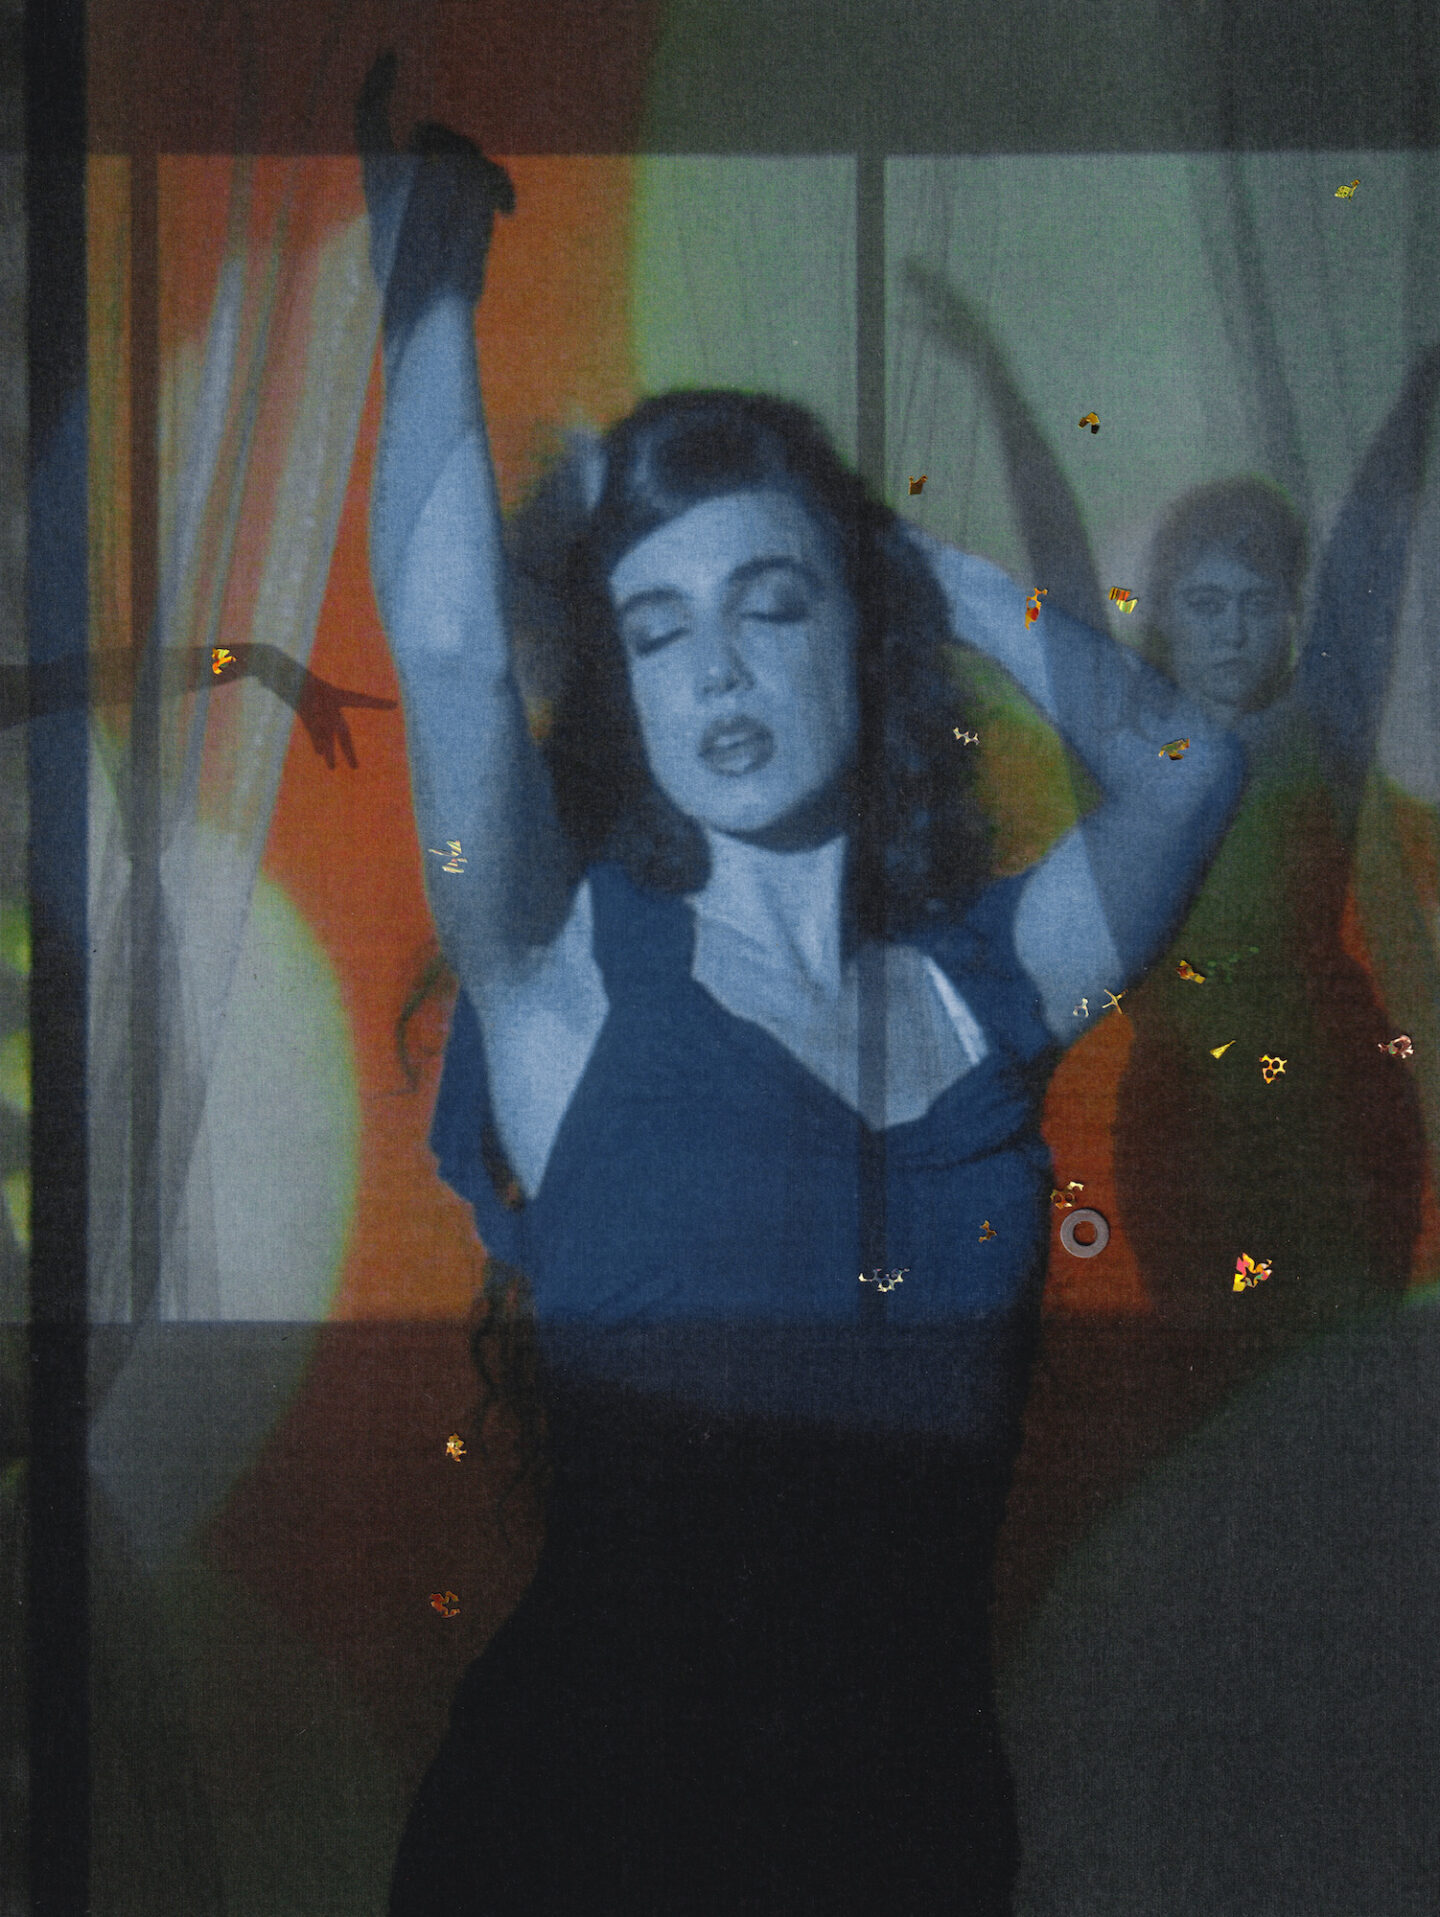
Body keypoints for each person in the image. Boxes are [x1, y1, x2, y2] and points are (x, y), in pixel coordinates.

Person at [358, 59, 1244, 1915]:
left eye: (772, 603)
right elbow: (446, 646)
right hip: (584, 1850)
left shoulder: (990, 988)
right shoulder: (565, 977)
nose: (716, 673)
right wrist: (431, 275)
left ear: (861, 627)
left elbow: (1187, 769)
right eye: (655, 629)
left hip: (904, 1845)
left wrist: (918, 563)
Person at [906, 265, 1437, 1340]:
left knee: (1355, 1369)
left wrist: (1425, 384)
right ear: (1166, 618)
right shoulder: (1125, 744)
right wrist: (998, 383)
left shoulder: (1319, 733)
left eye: (1256, 603)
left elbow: (1370, 558)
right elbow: (1056, 557)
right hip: (1185, 1128)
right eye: (1205, 602)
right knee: (1219, 1374)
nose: (1232, 628)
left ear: (1286, 621)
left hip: (1339, 1109)